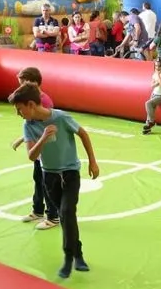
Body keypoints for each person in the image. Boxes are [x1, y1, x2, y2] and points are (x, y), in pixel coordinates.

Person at [9, 83, 100, 278]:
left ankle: (69, 258)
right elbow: (32, 156)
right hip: (49, 176)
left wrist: (93, 162)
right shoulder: (28, 126)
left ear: (31, 104)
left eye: (20, 109)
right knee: (65, 216)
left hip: (70, 173)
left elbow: (83, 134)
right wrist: (43, 138)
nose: (18, 114)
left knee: (67, 212)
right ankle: (77, 253)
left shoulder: (61, 117)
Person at [11, 67, 59, 230]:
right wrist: (22, 139)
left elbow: (47, 127)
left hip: (46, 150)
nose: (20, 87)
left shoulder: (44, 101)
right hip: (38, 150)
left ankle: (53, 215)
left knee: (48, 183)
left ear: (32, 83)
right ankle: (38, 210)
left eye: (22, 84)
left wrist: (42, 145)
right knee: (38, 180)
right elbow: (31, 126)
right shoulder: (29, 101)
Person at [142, 58, 161, 135]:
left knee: (148, 103)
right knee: (150, 111)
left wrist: (158, 76)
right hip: (154, 94)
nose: (157, 68)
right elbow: (152, 85)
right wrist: (157, 81)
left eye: (159, 66)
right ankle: (148, 128)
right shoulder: (155, 74)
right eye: (156, 66)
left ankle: (152, 121)